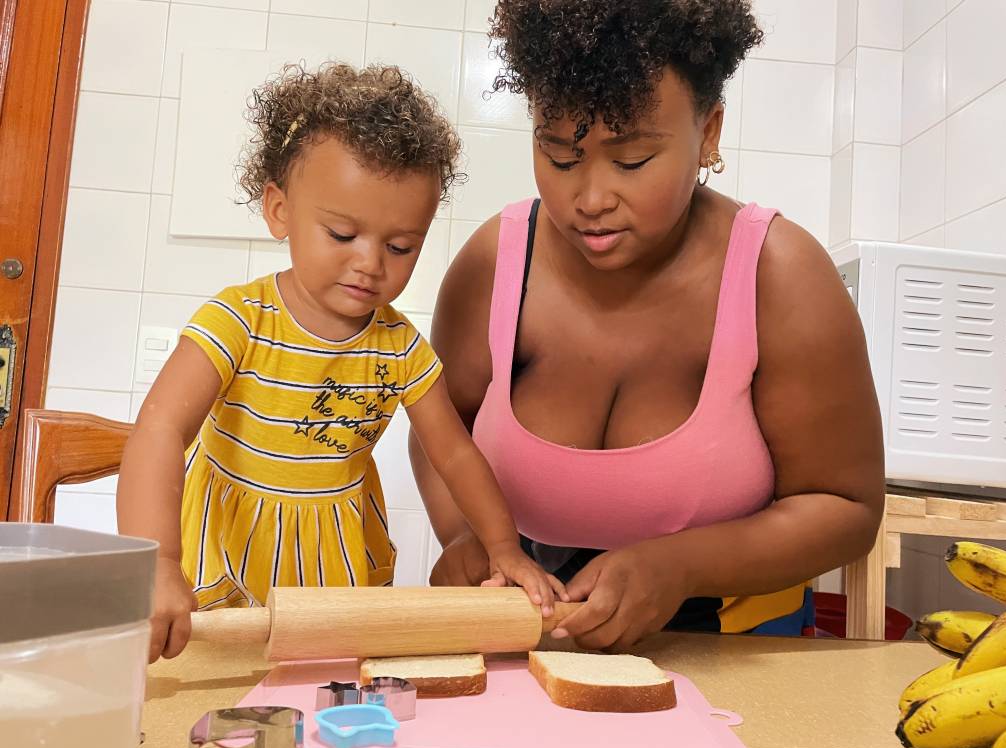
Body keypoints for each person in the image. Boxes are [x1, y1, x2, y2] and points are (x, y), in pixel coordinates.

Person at [411, 0, 885, 650]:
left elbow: (846, 510)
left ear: (709, 132)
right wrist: (467, 539)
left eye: (631, 160)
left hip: (729, 641)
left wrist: (679, 566)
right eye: (559, 154)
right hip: (529, 634)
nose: (591, 198)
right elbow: (438, 431)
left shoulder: (780, 275)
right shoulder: (496, 263)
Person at [118, 62, 566, 664]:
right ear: (279, 210)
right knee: (219, 673)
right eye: (341, 234)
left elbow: (454, 452)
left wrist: (504, 548)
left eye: (400, 246)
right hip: (227, 540)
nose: (370, 263)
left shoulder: (399, 347)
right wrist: (156, 562)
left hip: (334, 547)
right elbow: (160, 429)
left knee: (321, 679)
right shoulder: (239, 321)